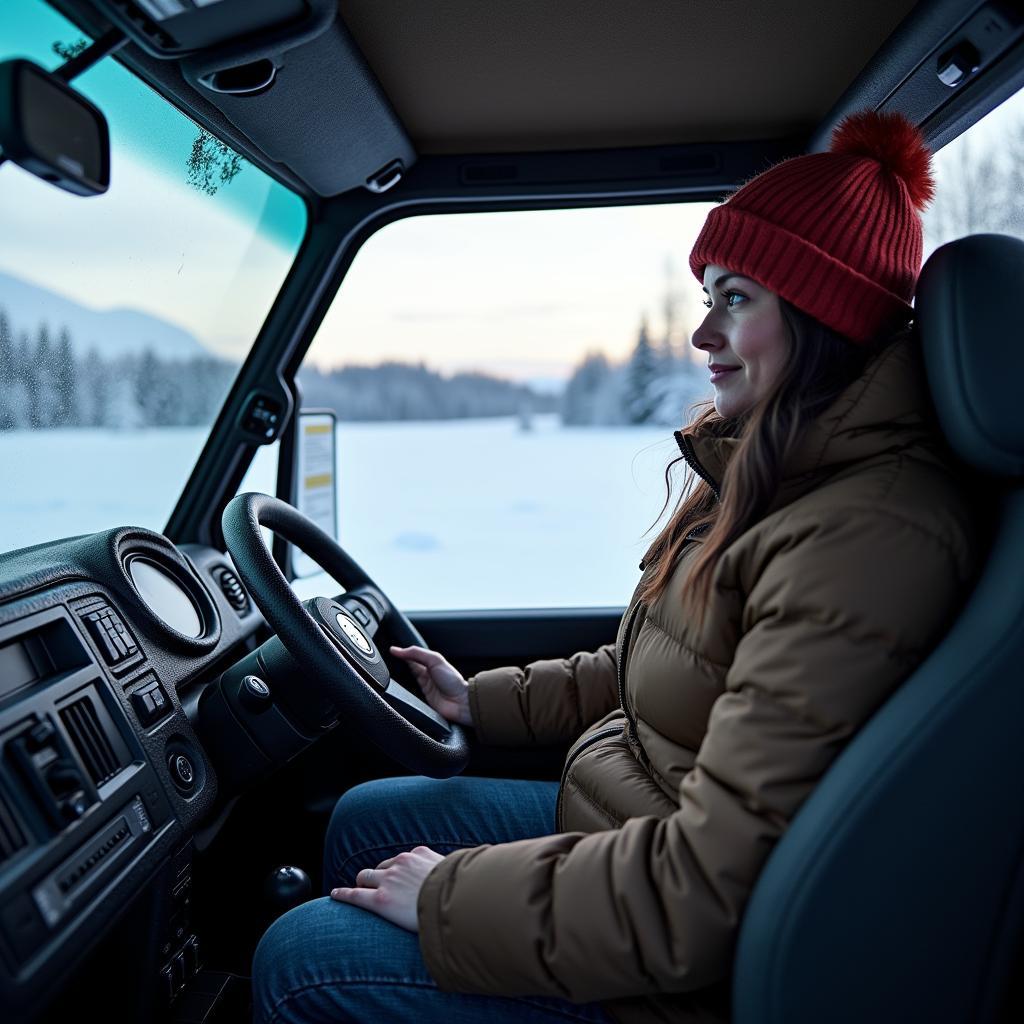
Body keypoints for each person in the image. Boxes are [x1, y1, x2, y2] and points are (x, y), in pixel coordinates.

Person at [252, 109, 981, 1024]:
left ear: (823, 313)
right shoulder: (774, 471)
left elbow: (710, 891)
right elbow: (659, 666)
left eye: (738, 299)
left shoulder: (863, 535)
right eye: (708, 298)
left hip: (677, 960)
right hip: (631, 822)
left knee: (302, 957)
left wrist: (448, 900)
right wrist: (476, 699)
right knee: (372, 815)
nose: (703, 335)